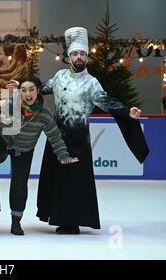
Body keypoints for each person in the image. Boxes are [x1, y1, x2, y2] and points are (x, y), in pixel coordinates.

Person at [33, 27, 148, 234]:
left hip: (78, 140)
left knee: (75, 180)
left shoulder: (91, 83)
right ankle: (58, 217)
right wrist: (25, 85)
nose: (79, 57)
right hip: (57, 139)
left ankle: (72, 221)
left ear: (87, 57)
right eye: (75, 53)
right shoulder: (59, 77)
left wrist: (126, 110)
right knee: (58, 178)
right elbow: (40, 88)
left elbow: (106, 101)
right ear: (69, 57)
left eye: (83, 54)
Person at [0, 75, 78, 236]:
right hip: (3, 141)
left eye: (31, 89)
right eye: (23, 90)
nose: (27, 93)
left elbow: (55, 137)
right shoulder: (11, 105)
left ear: (38, 91)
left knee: (19, 185)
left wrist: (63, 155)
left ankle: (16, 221)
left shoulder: (44, 114)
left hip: (24, 150)